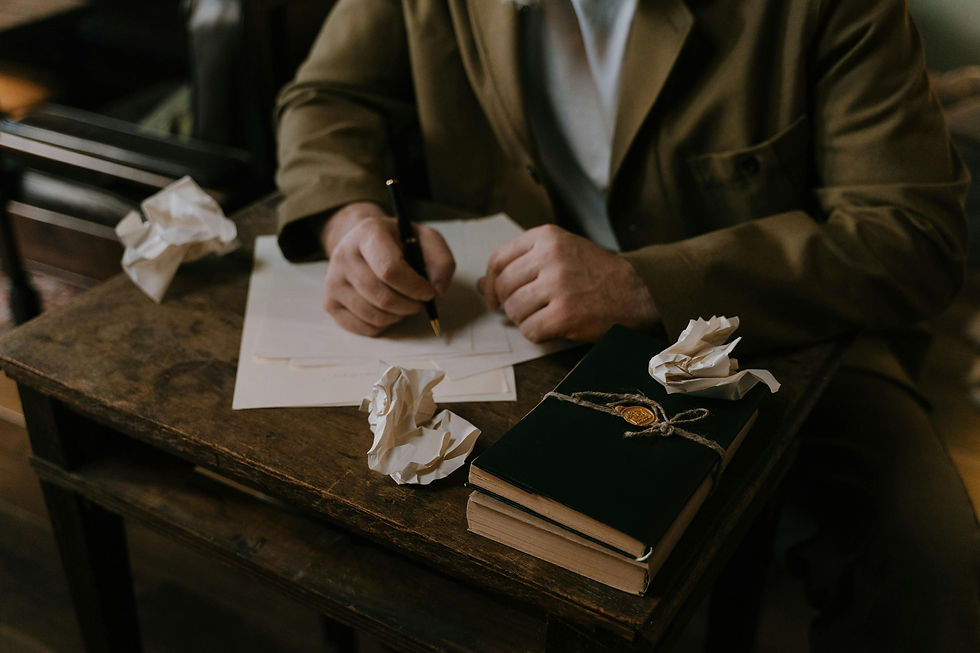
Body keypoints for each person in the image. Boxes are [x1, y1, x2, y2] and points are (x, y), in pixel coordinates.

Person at [274, 0, 979, 650]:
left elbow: (913, 233)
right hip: (505, 329)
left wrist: (647, 283)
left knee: (934, 566)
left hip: (774, 335)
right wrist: (351, 219)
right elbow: (328, 98)